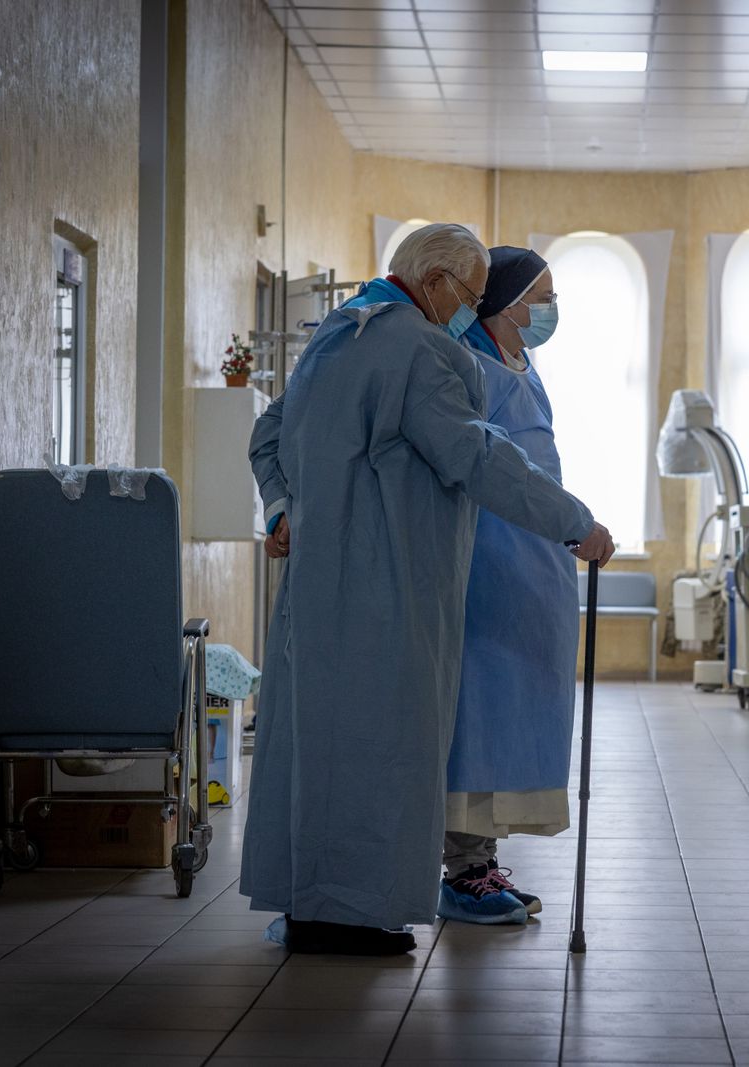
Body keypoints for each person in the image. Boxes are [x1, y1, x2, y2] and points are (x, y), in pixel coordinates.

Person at [240, 224, 615, 955]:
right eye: (470, 297)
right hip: (388, 588)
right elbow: (477, 456)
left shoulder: (335, 334)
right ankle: (349, 912)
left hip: (317, 589)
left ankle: (313, 907)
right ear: (436, 281)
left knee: (317, 748)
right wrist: (575, 522)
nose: (469, 313)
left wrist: (282, 506)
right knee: (382, 750)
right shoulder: (419, 349)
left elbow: (269, 435)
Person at [438, 247, 581, 925]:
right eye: (542, 295)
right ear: (503, 299)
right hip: (489, 562)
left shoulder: (524, 361)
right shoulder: (466, 361)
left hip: (535, 562)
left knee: (515, 713)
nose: (550, 309)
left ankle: (483, 861)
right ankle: (461, 869)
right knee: (477, 715)